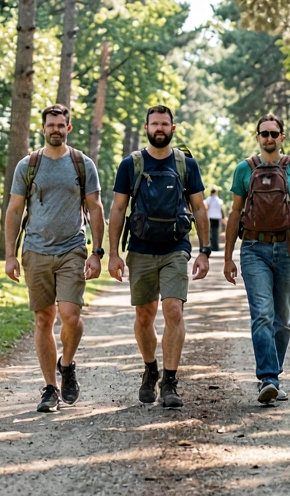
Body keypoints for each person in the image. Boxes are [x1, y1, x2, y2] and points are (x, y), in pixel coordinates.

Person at [3, 104, 106, 413]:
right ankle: (50, 389)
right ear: (43, 128)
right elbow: (14, 210)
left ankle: (67, 364)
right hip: (35, 251)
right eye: (51, 125)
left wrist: (98, 252)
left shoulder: (82, 164)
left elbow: (96, 207)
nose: (56, 130)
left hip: (72, 249)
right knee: (43, 319)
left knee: (71, 317)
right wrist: (10, 255)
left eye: (61, 125)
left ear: (68, 128)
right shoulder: (28, 165)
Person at [106, 105, 210, 409]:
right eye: (155, 124)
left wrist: (204, 251)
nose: (160, 128)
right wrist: (113, 254)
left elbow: (199, 207)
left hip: (176, 247)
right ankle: (151, 369)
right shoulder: (131, 164)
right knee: (144, 315)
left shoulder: (186, 164)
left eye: (165, 124)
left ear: (173, 129)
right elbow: (117, 208)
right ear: (146, 128)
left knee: (173, 310)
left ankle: (170, 381)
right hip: (140, 248)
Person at [223, 113, 290, 405]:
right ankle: (269, 379)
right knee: (263, 314)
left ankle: (272, 375)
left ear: (282, 137)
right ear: (257, 137)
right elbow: (235, 212)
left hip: (288, 248)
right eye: (264, 133)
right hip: (253, 248)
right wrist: (227, 257)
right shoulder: (244, 169)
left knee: (283, 320)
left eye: (274, 133)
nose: (269, 138)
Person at [205, 188, 224, 253]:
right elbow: (221, 209)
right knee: (216, 232)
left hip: (210, 217)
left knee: (211, 231)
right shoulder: (219, 200)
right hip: (217, 217)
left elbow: (206, 208)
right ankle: (216, 246)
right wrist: (223, 217)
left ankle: (211, 246)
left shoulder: (208, 199)